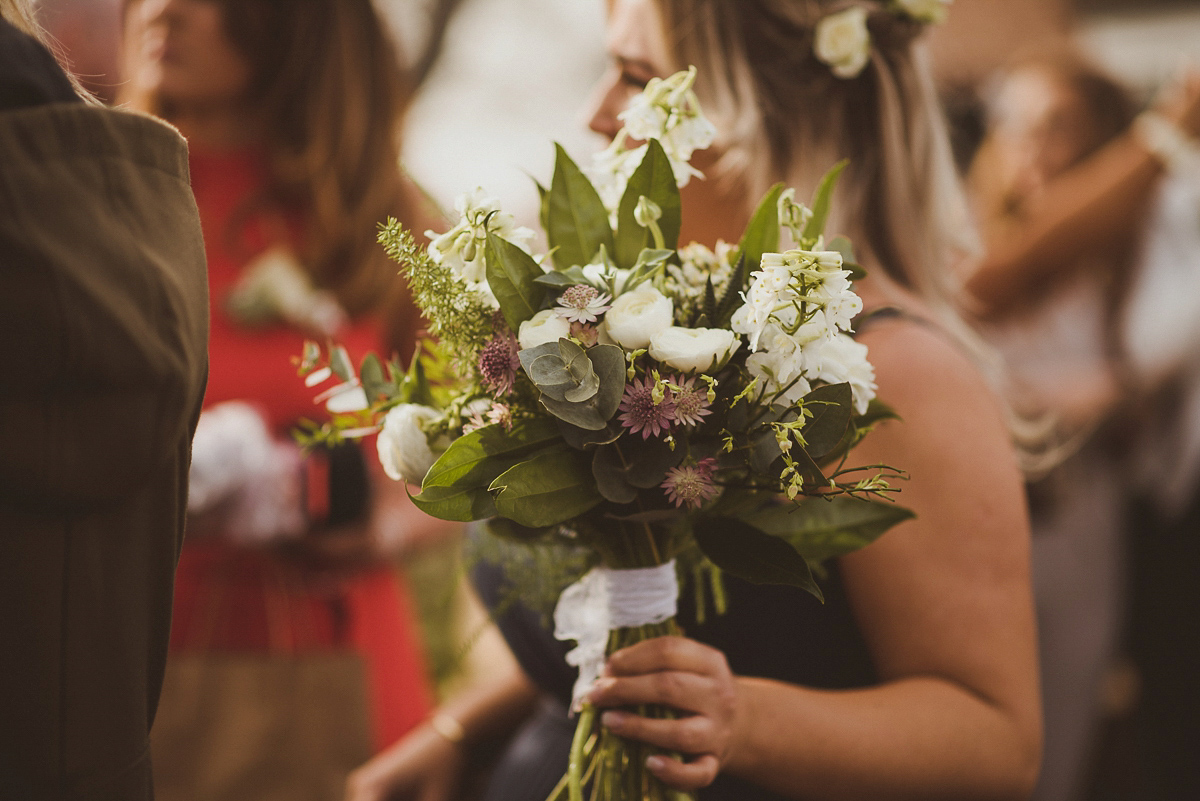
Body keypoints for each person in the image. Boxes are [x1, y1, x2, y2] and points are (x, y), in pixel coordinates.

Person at [347, 1, 1041, 800]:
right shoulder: (635, 343)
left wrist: (742, 721)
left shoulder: (895, 375)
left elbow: (998, 742)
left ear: (763, 113)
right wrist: (462, 732)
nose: (596, 112)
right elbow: (637, 623)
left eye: (637, 77)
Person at [119, 0, 453, 797]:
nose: (164, 8)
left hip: (337, 666)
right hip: (122, 665)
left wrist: (381, 519)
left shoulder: (382, 218)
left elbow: (481, 449)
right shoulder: (99, 200)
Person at [964, 54, 1200, 801]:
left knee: (1066, 725)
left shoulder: (1137, 248)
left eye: (1055, 126)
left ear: (1100, 138)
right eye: (1013, 124)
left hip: (1087, 519)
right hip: (986, 521)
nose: (1027, 146)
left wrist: (1123, 394)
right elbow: (995, 283)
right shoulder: (963, 237)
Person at [0, 2, 209, 799]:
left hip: (296, 643)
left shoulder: (374, 221)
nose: (161, 10)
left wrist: (328, 490)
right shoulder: (98, 172)